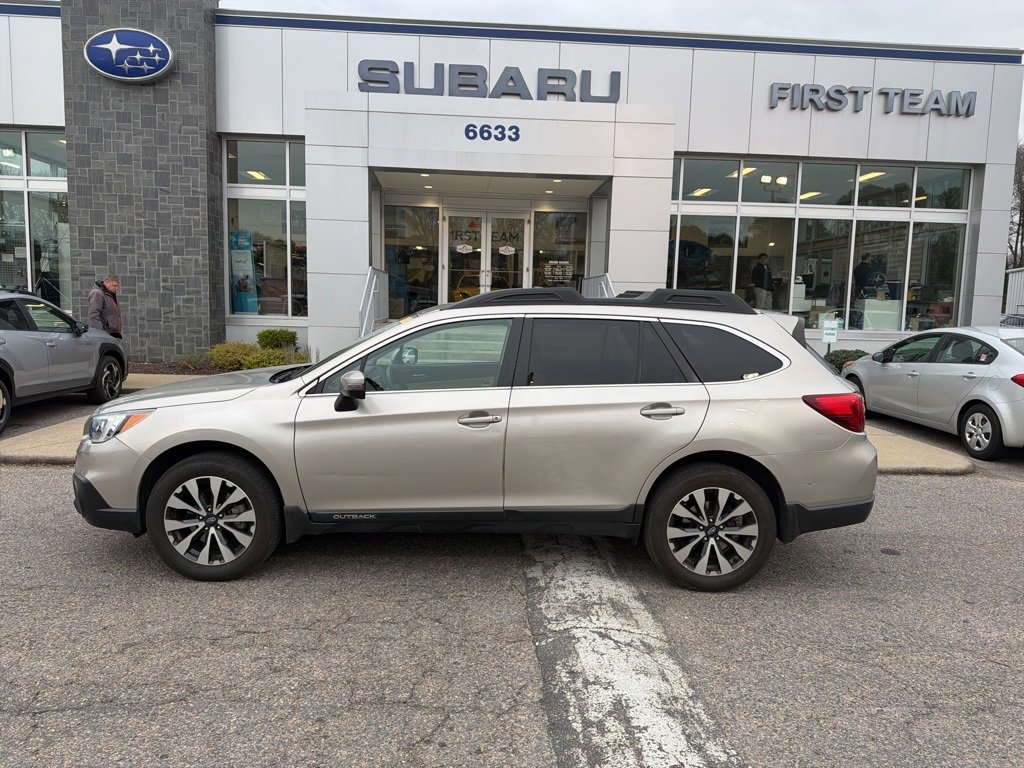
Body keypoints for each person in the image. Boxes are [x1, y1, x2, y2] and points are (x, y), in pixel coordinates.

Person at [88, 274, 122, 339]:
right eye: (114, 285)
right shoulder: (97, 293)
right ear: (107, 282)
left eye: (117, 286)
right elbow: (94, 314)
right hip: (105, 333)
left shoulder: (110, 293)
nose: (116, 288)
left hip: (113, 332)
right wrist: (100, 333)